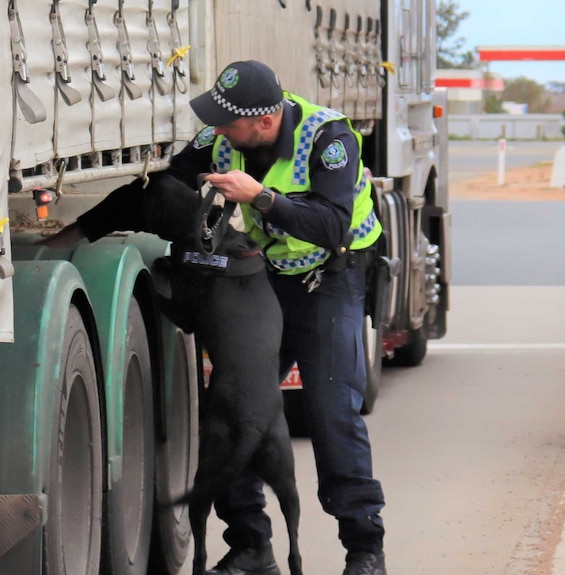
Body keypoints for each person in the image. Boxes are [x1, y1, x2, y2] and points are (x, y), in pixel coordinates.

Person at [42, 60, 387, 575]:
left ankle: (364, 551)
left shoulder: (329, 139)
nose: (217, 130)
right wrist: (76, 233)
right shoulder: (222, 141)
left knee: (331, 411)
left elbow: (333, 225)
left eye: (229, 122)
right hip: (266, 277)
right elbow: (155, 197)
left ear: (265, 123)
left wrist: (261, 199)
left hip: (328, 281)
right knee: (231, 410)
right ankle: (251, 545)